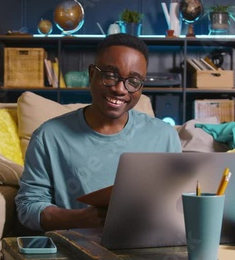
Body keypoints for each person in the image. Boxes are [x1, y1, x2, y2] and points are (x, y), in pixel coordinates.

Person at [15, 33, 182, 232]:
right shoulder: (48, 136)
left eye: (133, 81)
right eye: (111, 76)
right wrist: (79, 219)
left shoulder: (165, 136)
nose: (120, 89)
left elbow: (178, 204)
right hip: (79, 248)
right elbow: (28, 208)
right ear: (92, 73)